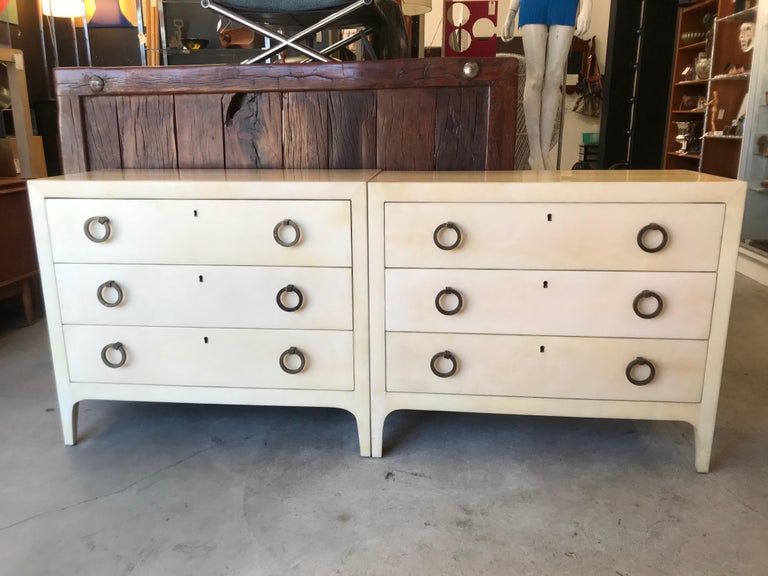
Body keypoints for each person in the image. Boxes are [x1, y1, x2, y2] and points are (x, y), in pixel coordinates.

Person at [501, 0, 592, 170]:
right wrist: (511, 13)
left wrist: (587, 6)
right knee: (535, 77)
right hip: (533, 4)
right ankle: (535, 153)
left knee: (554, 77)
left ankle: (544, 152)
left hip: (565, 4)